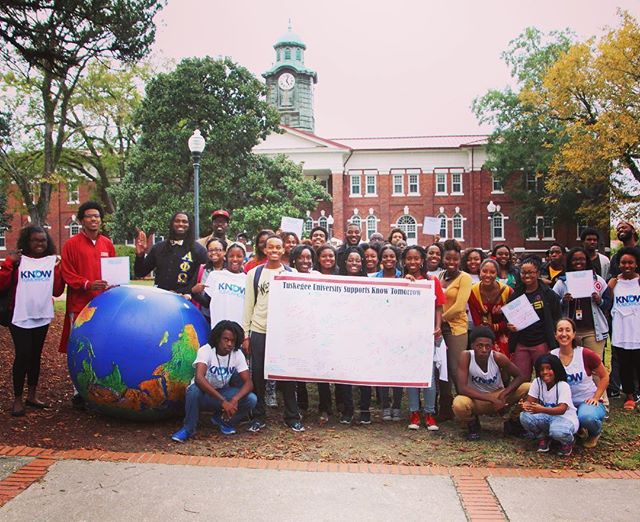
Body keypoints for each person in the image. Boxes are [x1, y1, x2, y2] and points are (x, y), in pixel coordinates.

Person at [0, 226, 65, 416]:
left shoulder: (50, 262)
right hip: (19, 315)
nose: (40, 244)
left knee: (36, 355)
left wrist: (57, 270)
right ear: (27, 242)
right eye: (35, 240)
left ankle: (33, 395)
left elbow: (57, 291)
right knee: (23, 355)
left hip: (41, 315)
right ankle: (18, 398)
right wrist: (9, 264)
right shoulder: (18, 262)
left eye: (43, 240)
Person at [242, 234, 304, 432]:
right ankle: (259, 416)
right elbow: (248, 305)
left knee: (286, 375)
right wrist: (246, 334)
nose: (275, 251)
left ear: (284, 250)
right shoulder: (255, 274)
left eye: (278, 247)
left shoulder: (291, 273)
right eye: (271, 248)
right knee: (258, 375)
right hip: (260, 329)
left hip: (283, 332)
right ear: (265, 250)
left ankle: (292, 416)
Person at [60, 201, 115, 410]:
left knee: (101, 346)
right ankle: (78, 391)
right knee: (78, 346)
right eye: (90, 216)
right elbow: (67, 273)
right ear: (82, 220)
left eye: (97, 216)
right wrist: (87, 284)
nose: (94, 220)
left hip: (104, 305)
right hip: (80, 304)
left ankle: (98, 388)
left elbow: (113, 272)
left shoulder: (107, 244)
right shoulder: (71, 244)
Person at [171, 320, 256, 441]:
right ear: (217, 338)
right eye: (225, 339)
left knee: (251, 399)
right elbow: (199, 378)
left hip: (222, 392)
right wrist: (223, 402)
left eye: (232, 341)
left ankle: (222, 421)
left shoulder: (237, 354)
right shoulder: (206, 350)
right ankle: (188, 428)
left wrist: (234, 400)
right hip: (203, 395)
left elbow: (248, 383)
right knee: (193, 390)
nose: (229, 344)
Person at [453, 327, 529, 440]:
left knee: (529, 387)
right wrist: (491, 399)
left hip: (498, 396)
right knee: (459, 403)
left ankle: (513, 421)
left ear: (492, 346)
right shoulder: (466, 356)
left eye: (487, 346)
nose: (484, 350)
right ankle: (472, 424)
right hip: (477, 399)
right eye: (479, 346)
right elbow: (462, 388)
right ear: (472, 345)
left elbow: (520, 376)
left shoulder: (498, 357)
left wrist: (504, 395)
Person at [402, 245, 445, 431]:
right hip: (408, 334)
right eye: (409, 258)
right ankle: (413, 412)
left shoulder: (432, 281)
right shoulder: (400, 280)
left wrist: (438, 327)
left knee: (428, 375)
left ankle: (429, 413)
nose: (413, 262)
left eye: (416, 258)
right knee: (412, 374)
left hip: (427, 333)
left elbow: (438, 307)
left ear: (422, 260)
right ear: (404, 261)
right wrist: (405, 284)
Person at [551, 318, 609, 448]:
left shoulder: (585, 354)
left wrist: (596, 397)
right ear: (555, 335)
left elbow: (604, 376)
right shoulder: (552, 356)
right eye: (560, 330)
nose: (564, 334)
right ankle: (577, 429)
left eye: (568, 330)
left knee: (587, 417)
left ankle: (594, 432)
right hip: (565, 404)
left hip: (587, 401)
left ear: (574, 334)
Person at [507, 256, 561, 379]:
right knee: (521, 378)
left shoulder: (548, 294)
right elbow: (508, 318)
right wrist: (509, 325)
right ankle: (524, 399)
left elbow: (557, 317)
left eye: (530, 272)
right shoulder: (516, 294)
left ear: (537, 273)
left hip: (541, 343)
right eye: (523, 272)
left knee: (544, 376)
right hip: (521, 343)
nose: (527, 276)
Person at [552, 247, 611, 360]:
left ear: (587, 261)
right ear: (570, 262)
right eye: (575, 259)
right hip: (570, 333)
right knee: (573, 364)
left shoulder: (598, 281)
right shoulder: (562, 282)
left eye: (582, 259)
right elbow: (553, 305)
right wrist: (563, 301)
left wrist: (600, 301)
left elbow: (608, 303)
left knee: (595, 365)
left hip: (593, 332)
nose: (578, 262)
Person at [438, 240, 473, 420]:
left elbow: (460, 306)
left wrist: (440, 320)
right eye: (448, 258)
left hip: (455, 328)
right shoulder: (439, 276)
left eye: (455, 259)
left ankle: (466, 408)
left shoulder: (465, 278)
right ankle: (445, 407)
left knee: (454, 368)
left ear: (460, 260)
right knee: (441, 368)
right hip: (438, 329)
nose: (451, 262)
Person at [134, 211, 207, 295]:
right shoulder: (158, 248)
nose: (180, 224)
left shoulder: (199, 250)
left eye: (184, 222)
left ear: (190, 225)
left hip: (186, 300)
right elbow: (140, 273)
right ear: (172, 224)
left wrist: (183, 292)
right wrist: (140, 255)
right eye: (177, 221)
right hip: (160, 297)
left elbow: (200, 281)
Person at [520, 354, 579, 456]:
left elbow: (562, 409)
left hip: (564, 418)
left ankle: (568, 442)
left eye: (549, 368)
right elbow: (530, 402)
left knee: (558, 431)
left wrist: (542, 409)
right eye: (542, 369)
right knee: (524, 416)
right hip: (546, 416)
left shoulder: (563, 385)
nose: (545, 372)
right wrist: (526, 405)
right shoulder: (537, 382)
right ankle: (543, 437)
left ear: (556, 369)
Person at [608, 247, 640, 410]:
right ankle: (629, 396)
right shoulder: (614, 283)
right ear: (619, 264)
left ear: (636, 264)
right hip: (621, 332)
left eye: (630, 262)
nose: (627, 265)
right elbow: (607, 305)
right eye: (623, 262)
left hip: (638, 330)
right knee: (625, 365)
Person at [375, 244, 403, 420]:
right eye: (385, 256)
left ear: (397, 258)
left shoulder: (404, 278)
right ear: (380, 259)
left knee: (398, 369)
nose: (388, 259)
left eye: (392, 256)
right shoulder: (374, 279)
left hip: (400, 329)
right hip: (380, 329)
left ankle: (397, 406)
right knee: (383, 369)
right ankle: (385, 405)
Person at [288, 244, 317, 413]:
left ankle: (324, 407)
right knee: (296, 368)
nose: (305, 261)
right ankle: (300, 404)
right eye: (301, 257)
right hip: (294, 328)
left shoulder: (318, 276)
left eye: (308, 258)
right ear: (294, 260)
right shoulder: (287, 276)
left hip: (314, 327)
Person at [468, 259, 513, 357]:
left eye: (492, 272)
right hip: (482, 334)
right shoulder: (472, 291)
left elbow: (512, 320)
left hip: (504, 333)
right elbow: (477, 322)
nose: (488, 275)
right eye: (484, 271)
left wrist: (501, 316)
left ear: (497, 273)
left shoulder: (507, 291)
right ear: (479, 272)